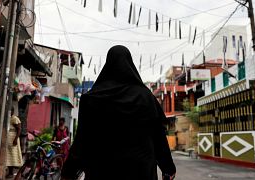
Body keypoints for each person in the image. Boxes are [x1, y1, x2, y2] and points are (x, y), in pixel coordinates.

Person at [61, 45, 176, 180]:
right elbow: (158, 136)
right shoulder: (146, 97)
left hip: (102, 171)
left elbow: (83, 138)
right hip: (141, 171)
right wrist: (168, 168)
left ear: (108, 64)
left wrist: (69, 171)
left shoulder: (91, 99)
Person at [6, 107, 23, 178]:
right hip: (8, 139)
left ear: (12, 111)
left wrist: (15, 139)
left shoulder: (15, 118)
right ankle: (9, 171)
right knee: (8, 156)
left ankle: (11, 173)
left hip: (13, 139)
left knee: (12, 155)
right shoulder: (8, 118)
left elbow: (19, 129)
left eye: (10, 111)